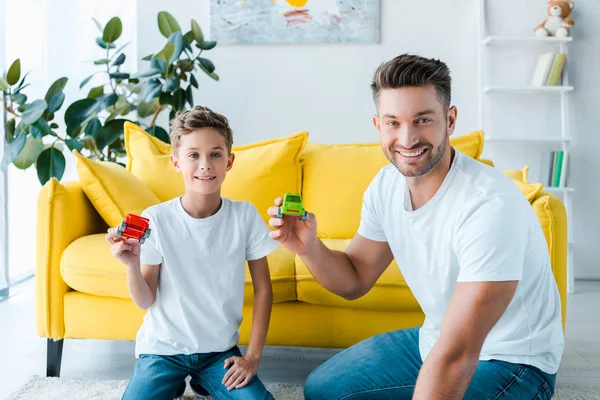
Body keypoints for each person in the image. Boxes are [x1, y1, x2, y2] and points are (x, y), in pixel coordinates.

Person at [267, 54, 564, 399]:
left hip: (512, 362)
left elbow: (457, 356)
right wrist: (309, 248)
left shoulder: (489, 206)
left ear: (450, 120)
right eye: (393, 123)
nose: (407, 139)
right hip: (437, 339)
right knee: (325, 390)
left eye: (422, 120)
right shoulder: (385, 185)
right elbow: (354, 279)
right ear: (378, 126)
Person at [106, 106, 278, 400]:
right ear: (176, 162)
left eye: (215, 154)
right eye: (193, 155)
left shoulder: (245, 216)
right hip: (162, 352)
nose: (205, 165)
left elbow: (263, 289)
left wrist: (252, 357)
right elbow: (146, 299)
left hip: (218, 353)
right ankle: (171, 382)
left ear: (229, 161)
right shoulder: (156, 219)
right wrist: (132, 265)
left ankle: (203, 381)